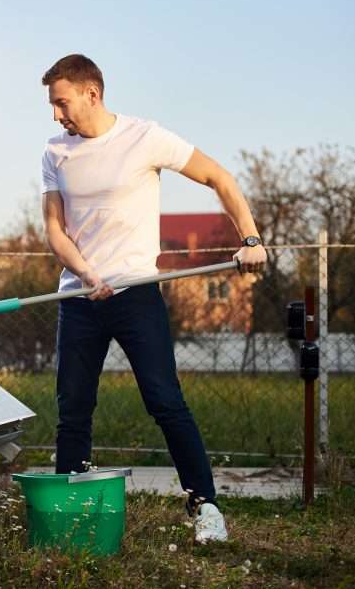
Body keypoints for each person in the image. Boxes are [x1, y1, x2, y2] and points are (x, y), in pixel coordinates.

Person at [39, 54, 267, 543]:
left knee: (165, 401)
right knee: (73, 409)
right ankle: (70, 512)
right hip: (79, 298)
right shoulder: (55, 151)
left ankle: (205, 507)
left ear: (91, 93)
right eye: (53, 106)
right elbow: (55, 230)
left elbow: (219, 179)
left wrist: (249, 239)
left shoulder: (145, 138)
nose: (57, 115)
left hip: (137, 293)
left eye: (61, 103)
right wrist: (85, 271)